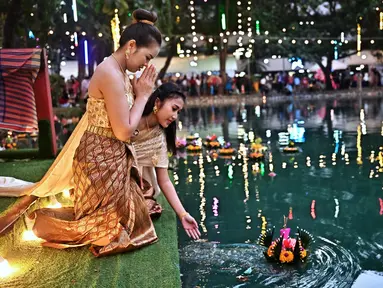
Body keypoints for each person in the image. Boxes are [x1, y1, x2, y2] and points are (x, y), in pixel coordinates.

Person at [0, 9, 199, 257]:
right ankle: (44, 223)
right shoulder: (110, 74)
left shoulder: (120, 72)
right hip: (99, 159)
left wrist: (140, 96)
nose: (147, 64)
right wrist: (144, 95)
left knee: (140, 213)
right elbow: (125, 131)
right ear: (131, 46)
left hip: (113, 157)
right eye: (147, 57)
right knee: (115, 230)